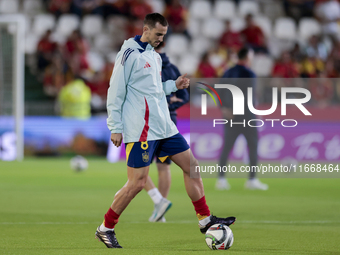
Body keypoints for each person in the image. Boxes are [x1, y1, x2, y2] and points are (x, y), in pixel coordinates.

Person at [95, 13, 236, 249]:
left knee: (192, 166)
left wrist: (173, 85)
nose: (161, 39)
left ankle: (205, 220)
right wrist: (116, 127)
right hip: (141, 130)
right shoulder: (129, 53)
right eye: (158, 34)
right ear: (146, 29)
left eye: (164, 35)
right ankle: (105, 228)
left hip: (164, 127)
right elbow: (115, 91)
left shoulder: (154, 55)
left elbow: (152, 90)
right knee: (137, 183)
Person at [143, 41, 189, 222]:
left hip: (149, 122)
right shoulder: (173, 68)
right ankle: (160, 211)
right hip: (170, 120)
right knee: (163, 167)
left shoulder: (145, 63)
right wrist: (172, 103)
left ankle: (158, 201)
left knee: (138, 167)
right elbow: (185, 95)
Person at [216, 47, 268, 191]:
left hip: (230, 116)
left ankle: (221, 179)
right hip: (246, 116)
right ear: (247, 58)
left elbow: (218, 92)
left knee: (227, 146)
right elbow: (248, 97)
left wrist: (225, 108)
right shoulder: (249, 74)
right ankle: (252, 179)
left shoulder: (227, 72)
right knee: (253, 145)